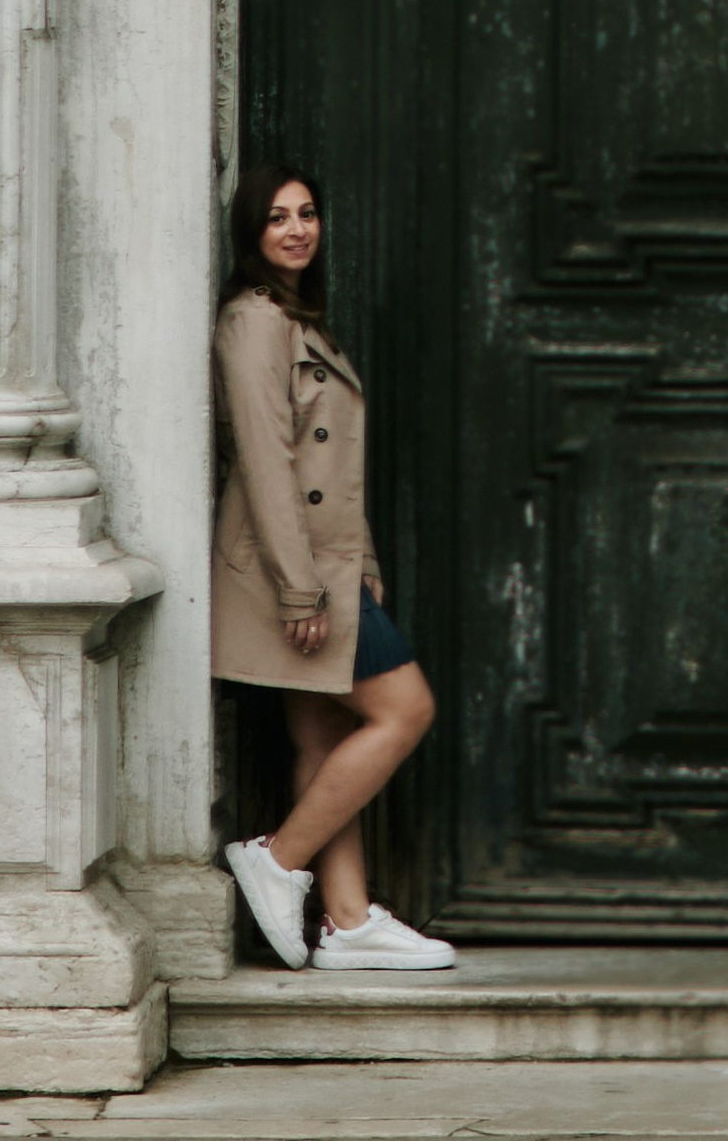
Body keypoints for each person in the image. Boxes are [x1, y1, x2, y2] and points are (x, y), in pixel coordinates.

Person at [212, 161, 456, 972]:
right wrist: (299, 587)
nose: (296, 229)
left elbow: (337, 468)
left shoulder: (299, 318)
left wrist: (367, 561)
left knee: (324, 731)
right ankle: (278, 860)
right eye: (277, 216)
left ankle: (347, 922)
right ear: (252, 233)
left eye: (308, 213)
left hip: (331, 565)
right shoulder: (253, 322)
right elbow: (265, 461)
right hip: (290, 572)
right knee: (404, 709)